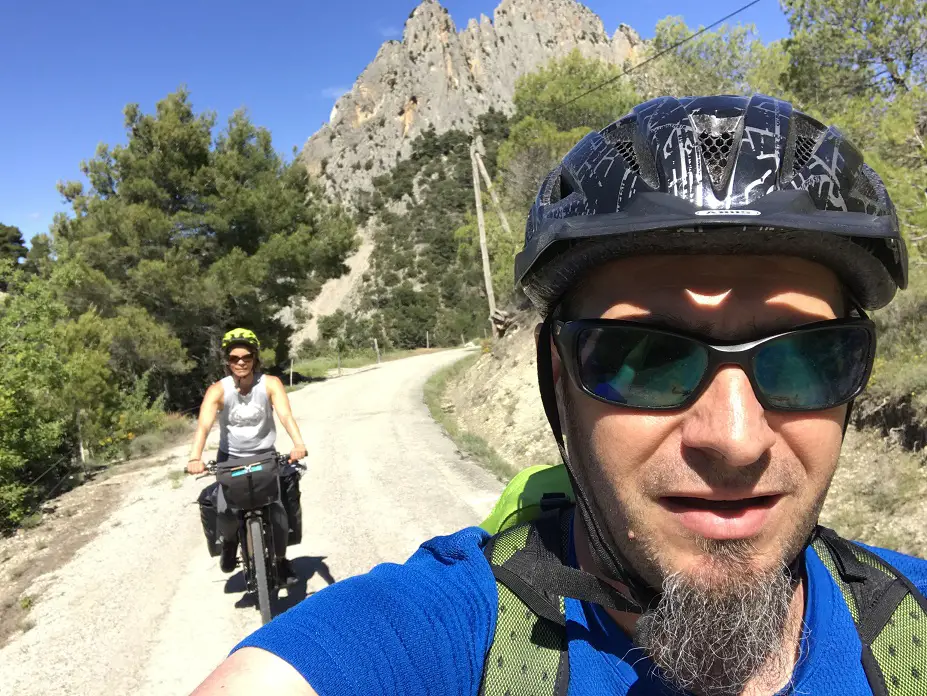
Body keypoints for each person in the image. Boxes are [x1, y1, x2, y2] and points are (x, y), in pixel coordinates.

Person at [191, 96, 927, 696]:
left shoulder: (910, 628)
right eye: (641, 359)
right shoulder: (460, 636)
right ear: (555, 381)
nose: (733, 439)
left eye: (804, 358)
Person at [187, 328, 308, 584]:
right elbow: (204, 425)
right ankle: (230, 543)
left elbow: (285, 415)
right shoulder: (218, 390)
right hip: (230, 457)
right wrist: (194, 458)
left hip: (265, 455)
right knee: (226, 508)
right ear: (227, 361)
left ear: (255, 358)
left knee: (276, 506)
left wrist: (298, 443)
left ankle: (280, 559)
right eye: (234, 358)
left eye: (246, 357)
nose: (240, 362)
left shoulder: (270, 384)